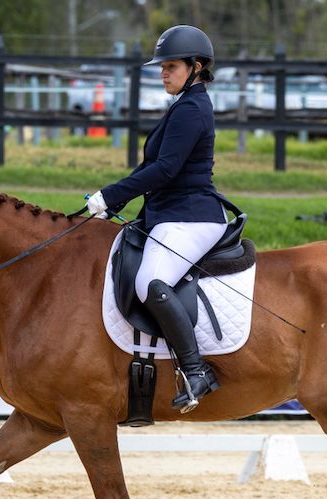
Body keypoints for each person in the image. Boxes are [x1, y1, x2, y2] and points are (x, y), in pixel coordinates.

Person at [84, 25, 227, 413]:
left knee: (150, 281)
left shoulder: (193, 108)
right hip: (170, 213)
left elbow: (164, 170)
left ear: (196, 67)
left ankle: (196, 371)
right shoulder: (183, 105)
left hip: (192, 217)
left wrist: (111, 194)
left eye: (172, 66)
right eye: (162, 66)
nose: (164, 73)